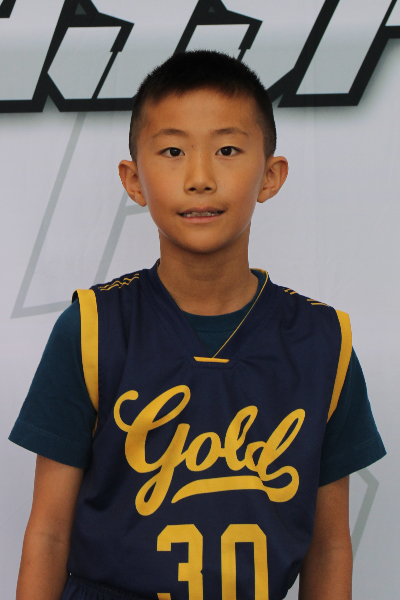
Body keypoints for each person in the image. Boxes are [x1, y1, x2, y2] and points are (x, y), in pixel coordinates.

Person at [10, 51, 386, 600]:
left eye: (227, 150)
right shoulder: (90, 328)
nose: (200, 178)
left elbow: (328, 547)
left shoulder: (323, 342)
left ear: (270, 175)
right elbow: (48, 533)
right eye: (173, 151)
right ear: (134, 180)